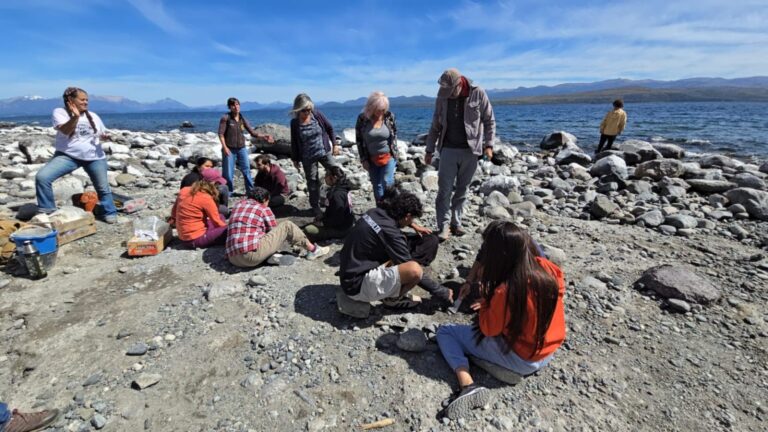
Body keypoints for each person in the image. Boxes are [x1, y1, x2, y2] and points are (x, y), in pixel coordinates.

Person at [435, 221, 565, 419]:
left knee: (446, 332)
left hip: (523, 358)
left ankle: (468, 385)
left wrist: (487, 302)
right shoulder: (548, 268)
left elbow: (489, 329)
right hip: (548, 352)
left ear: (498, 255)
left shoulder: (505, 290)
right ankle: (496, 366)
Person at [339, 188, 452, 310]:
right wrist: (441, 291)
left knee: (426, 241)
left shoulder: (374, 212)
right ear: (407, 216)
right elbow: (411, 268)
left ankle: (392, 283)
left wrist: (414, 226)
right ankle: (392, 299)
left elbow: (389, 231)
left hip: (350, 271)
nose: (412, 222)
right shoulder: (391, 233)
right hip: (356, 286)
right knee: (414, 270)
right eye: (412, 219)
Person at [425, 68, 496, 241]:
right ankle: (443, 225)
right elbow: (435, 125)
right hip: (448, 150)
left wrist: (489, 145)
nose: (448, 95)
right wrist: (429, 149)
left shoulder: (478, 93)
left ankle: (456, 223)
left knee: (463, 190)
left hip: (471, 151)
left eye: (450, 92)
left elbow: (489, 121)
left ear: (459, 84)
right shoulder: (442, 96)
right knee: (444, 190)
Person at [35, 87, 118, 223]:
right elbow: (65, 131)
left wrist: (104, 136)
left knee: (103, 188)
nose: (86, 102)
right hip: (68, 156)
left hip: (94, 157)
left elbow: (99, 133)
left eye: (87, 100)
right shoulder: (60, 112)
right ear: (70, 100)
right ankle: (48, 210)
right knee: (42, 177)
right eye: (82, 100)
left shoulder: (93, 116)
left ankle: (109, 212)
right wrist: (75, 117)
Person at [226, 187, 330, 267]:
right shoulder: (263, 208)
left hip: (233, 258)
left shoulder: (237, 206)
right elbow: (274, 230)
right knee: (287, 225)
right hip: (251, 257)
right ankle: (313, 250)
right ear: (265, 199)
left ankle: (269, 257)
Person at [289, 93, 340, 220]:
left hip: (324, 152)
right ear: (298, 109)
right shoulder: (294, 123)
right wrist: (295, 159)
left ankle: (337, 199)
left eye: (309, 109)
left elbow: (330, 128)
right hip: (308, 157)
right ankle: (315, 207)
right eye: (304, 110)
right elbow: (294, 141)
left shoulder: (317, 115)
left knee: (337, 173)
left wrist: (335, 145)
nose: (307, 112)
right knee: (312, 183)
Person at [218, 97, 274, 195]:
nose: (236, 107)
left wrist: (264, 136)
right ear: (229, 107)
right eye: (233, 105)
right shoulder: (226, 118)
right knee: (228, 173)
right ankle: (228, 192)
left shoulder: (242, 118)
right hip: (229, 148)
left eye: (237, 104)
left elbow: (252, 132)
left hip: (241, 148)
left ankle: (250, 191)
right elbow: (221, 134)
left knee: (246, 170)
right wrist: (225, 147)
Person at [355, 91, 398, 202]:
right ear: (371, 107)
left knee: (387, 182)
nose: (381, 112)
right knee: (377, 185)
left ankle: (392, 207)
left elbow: (394, 135)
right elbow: (359, 140)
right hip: (371, 158)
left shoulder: (389, 116)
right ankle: (380, 208)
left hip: (388, 156)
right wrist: (363, 159)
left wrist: (395, 154)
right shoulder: (362, 119)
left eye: (383, 110)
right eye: (378, 110)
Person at [169, 174, 227, 248]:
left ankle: (214, 235)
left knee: (221, 216)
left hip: (183, 238)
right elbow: (216, 222)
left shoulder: (184, 191)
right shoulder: (206, 197)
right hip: (195, 239)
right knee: (228, 229)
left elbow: (174, 213)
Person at [304, 166, 355, 242]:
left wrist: (322, 223)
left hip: (341, 229)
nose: (325, 178)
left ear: (334, 177)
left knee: (308, 229)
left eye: (326, 175)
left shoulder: (337, 195)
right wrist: (323, 216)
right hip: (347, 224)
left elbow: (338, 218)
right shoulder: (344, 188)